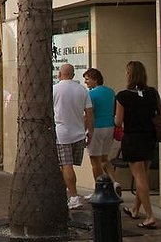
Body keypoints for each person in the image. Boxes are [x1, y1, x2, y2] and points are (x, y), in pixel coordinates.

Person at [116, 61, 160, 229]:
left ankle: (149, 216)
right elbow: (159, 113)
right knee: (144, 176)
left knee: (140, 178)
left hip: (132, 138)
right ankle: (135, 209)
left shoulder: (123, 96)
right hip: (149, 138)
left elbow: (118, 122)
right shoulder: (152, 93)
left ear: (129, 75)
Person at [53, 63, 94, 210]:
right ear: (73, 74)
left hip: (62, 133)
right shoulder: (82, 90)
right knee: (69, 166)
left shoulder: (54, 89)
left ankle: (74, 196)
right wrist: (90, 131)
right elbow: (89, 113)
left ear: (59, 74)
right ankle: (68, 193)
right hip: (78, 133)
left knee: (66, 165)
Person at [83, 68, 121, 197]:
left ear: (95, 79)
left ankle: (98, 191)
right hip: (109, 127)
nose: (85, 82)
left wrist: (85, 129)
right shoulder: (110, 92)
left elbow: (89, 113)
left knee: (95, 161)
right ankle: (115, 182)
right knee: (105, 159)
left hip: (96, 128)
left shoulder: (91, 94)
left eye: (87, 79)